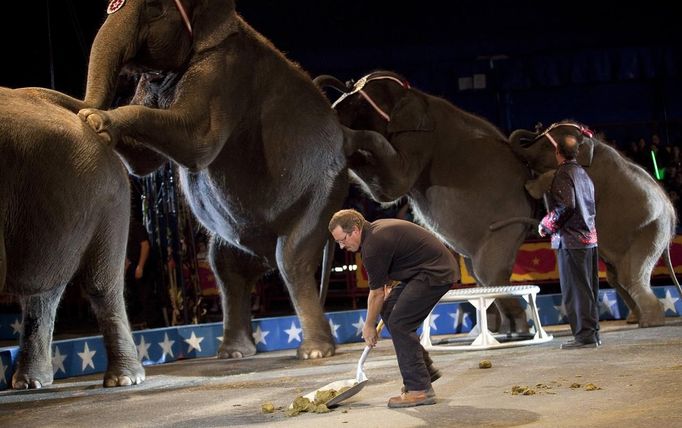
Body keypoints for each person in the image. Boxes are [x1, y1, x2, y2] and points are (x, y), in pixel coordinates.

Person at [328, 209, 460, 408]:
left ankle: (419, 390)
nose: (341, 246)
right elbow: (393, 267)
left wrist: (369, 326)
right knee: (388, 308)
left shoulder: (372, 244)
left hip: (434, 272)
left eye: (343, 239)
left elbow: (376, 293)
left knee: (400, 324)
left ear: (355, 230)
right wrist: (387, 286)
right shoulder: (374, 234)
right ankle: (425, 372)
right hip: (419, 272)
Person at [538, 132, 600, 349]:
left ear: (557, 152)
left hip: (572, 241)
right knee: (588, 289)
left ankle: (584, 337)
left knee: (576, 291)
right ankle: (592, 334)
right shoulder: (583, 173)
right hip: (589, 239)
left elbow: (566, 205)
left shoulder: (564, 174)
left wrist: (547, 224)